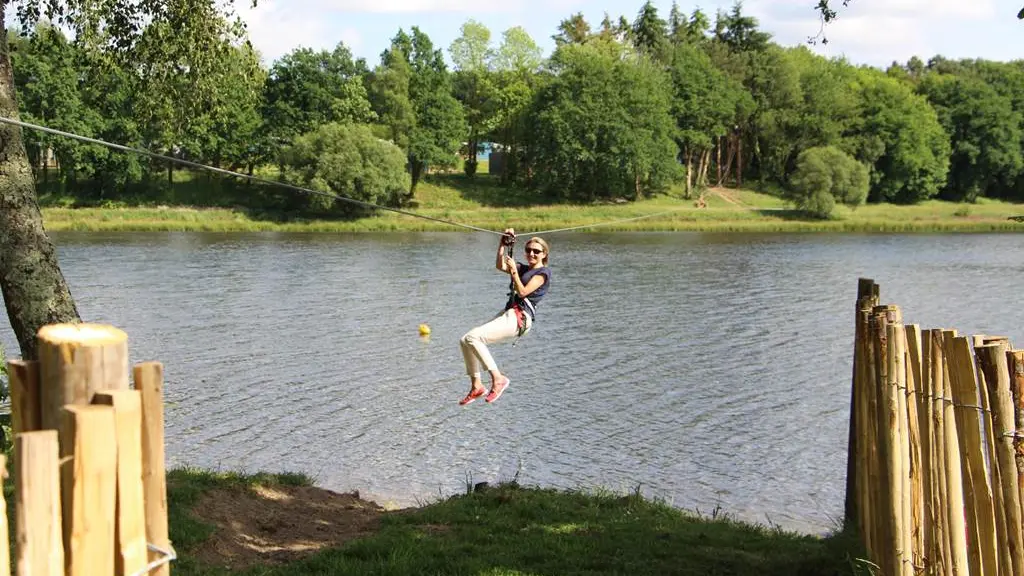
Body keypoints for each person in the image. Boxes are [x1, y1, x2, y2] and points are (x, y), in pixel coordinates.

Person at [458, 228, 552, 405]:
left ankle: (498, 378)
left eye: (536, 251)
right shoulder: (523, 268)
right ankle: (477, 385)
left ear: (544, 254)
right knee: (465, 340)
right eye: (528, 250)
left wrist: (514, 273)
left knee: (473, 337)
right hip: (509, 313)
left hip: (520, 318)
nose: (531, 253)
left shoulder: (543, 274)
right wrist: (502, 243)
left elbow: (523, 292)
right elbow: (500, 265)